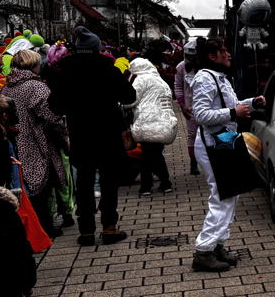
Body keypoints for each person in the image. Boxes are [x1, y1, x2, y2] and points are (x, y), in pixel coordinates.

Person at [48, 26, 136, 246]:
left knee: (84, 183)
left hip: (80, 132)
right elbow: (128, 96)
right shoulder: (109, 68)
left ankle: (86, 231)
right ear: (97, 48)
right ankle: (109, 227)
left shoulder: (64, 71)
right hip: (108, 131)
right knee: (108, 181)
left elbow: (54, 106)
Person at [189, 37, 262, 272]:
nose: (228, 54)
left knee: (231, 193)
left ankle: (218, 245)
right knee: (222, 195)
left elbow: (233, 105)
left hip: (225, 142)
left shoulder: (219, 77)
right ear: (212, 56)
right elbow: (200, 114)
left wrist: (250, 103)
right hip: (213, 144)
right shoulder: (205, 78)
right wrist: (233, 112)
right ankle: (204, 251)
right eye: (224, 51)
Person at [6, 49, 68, 237]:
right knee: (43, 185)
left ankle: (36, 226)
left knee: (27, 184)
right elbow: (50, 114)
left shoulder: (7, 86)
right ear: (34, 65)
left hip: (16, 140)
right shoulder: (36, 86)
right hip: (37, 141)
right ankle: (44, 227)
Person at [128, 54, 177, 196]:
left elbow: (132, 99)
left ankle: (146, 187)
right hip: (165, 124)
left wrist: (122, 104)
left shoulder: (141, 80)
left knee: (147, 157)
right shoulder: (160, 81)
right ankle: (165, 183)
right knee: (155, 154)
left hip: (147, 123)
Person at [174, 37, 200, 176]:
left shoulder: (206, 66)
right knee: (192, 136)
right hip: (190, 108)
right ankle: (193, 162)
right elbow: (178, 87)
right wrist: (182, 106)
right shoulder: (181, 67)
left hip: (208, 107)